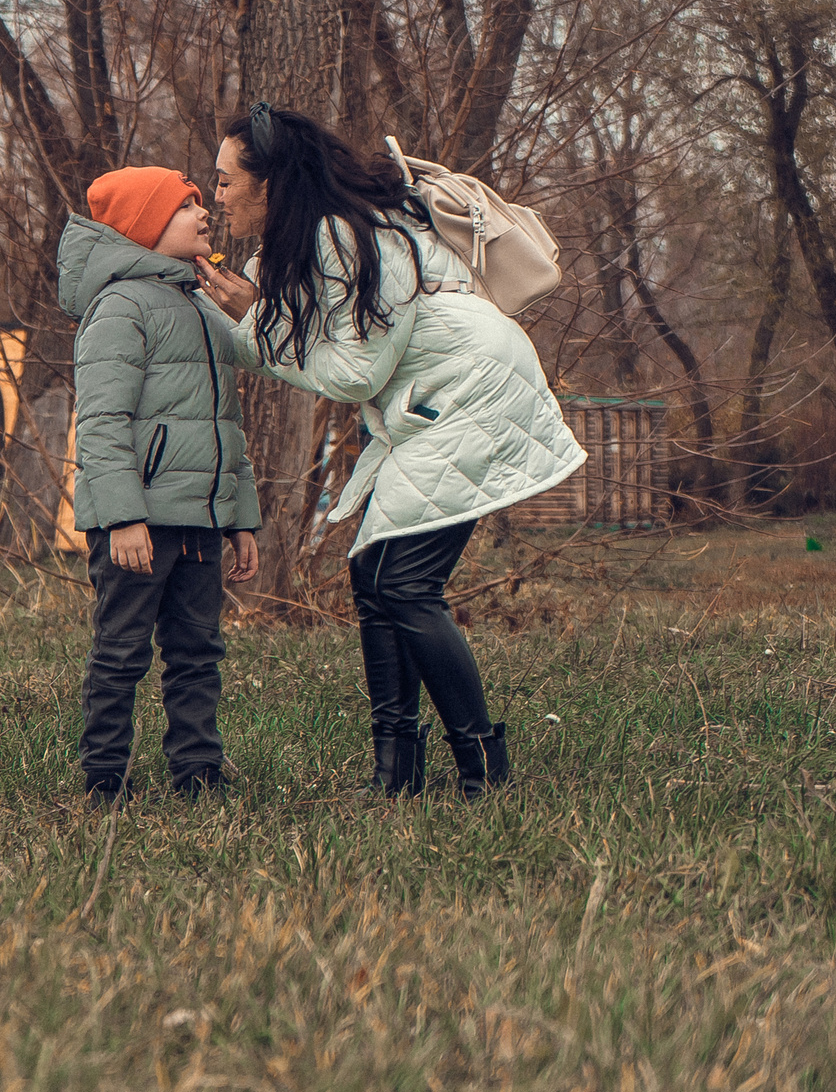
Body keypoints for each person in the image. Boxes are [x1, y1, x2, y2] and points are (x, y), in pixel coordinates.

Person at [195, 106, 582, 801]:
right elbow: (312, 345)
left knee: (404, 584)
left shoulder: (339, 236)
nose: (216, 195)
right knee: (375, 576)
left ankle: (483, 771)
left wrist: (255, 322)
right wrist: (246, 313)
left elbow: (354, 374)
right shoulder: (305, 240)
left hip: (472, 393)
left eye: (225, 181)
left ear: (272, 182)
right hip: (437, 401)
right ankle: (394, 771)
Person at [62, 166, 262, 803]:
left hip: (200, 518)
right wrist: (122, 516)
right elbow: (101, 421)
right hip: (137, 523)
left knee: (198, 651)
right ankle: (103, 777)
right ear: (146, 228)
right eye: (186, 207)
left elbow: (222, 423)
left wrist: (241, 516)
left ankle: (198, 774)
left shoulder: (204, 306)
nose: (204, 213)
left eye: (204, 203)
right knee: (121, 651)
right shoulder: (120, 308)